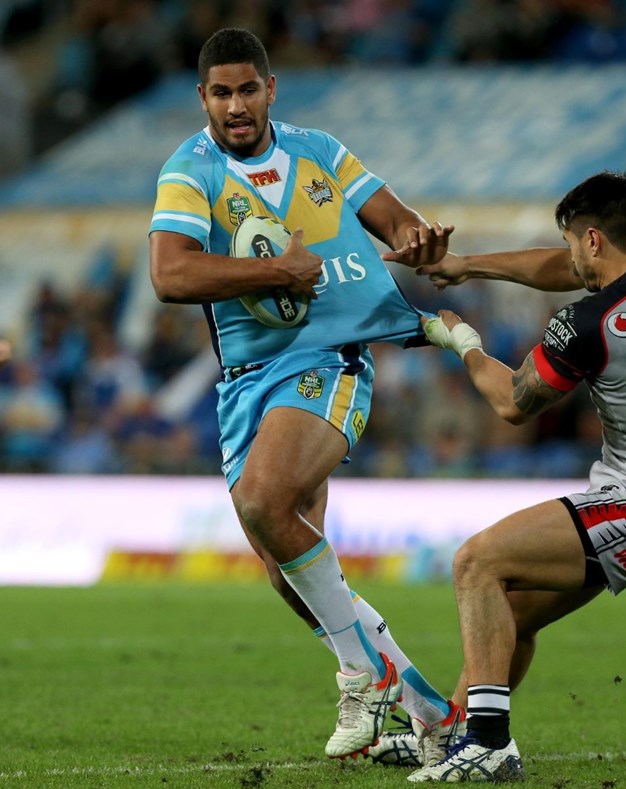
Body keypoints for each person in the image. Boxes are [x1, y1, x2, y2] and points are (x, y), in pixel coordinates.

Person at [148, 27, 464, 761]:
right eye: (221, 93)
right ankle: (432, 715)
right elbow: (171, 276)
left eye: (247, 89)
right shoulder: (188, 172)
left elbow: (397, 223)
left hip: (328, 359)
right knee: (289, 574)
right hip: (245, 382)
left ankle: (364, 675)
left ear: (271, 89)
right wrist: (278, 272)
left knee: (264, 502)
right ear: (203, 99)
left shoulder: (318, 151)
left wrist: (423, 243)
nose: (235, 105)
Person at [404, 171, 626, 782]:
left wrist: (460, 339)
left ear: (593, 239)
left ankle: (490, 745)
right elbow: (561, 268)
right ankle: (448, 739)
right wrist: (469, 266)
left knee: (477, 563)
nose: (569, 254)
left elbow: (513, 405)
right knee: (505, 613)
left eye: (573, 241)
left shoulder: (590, 322)